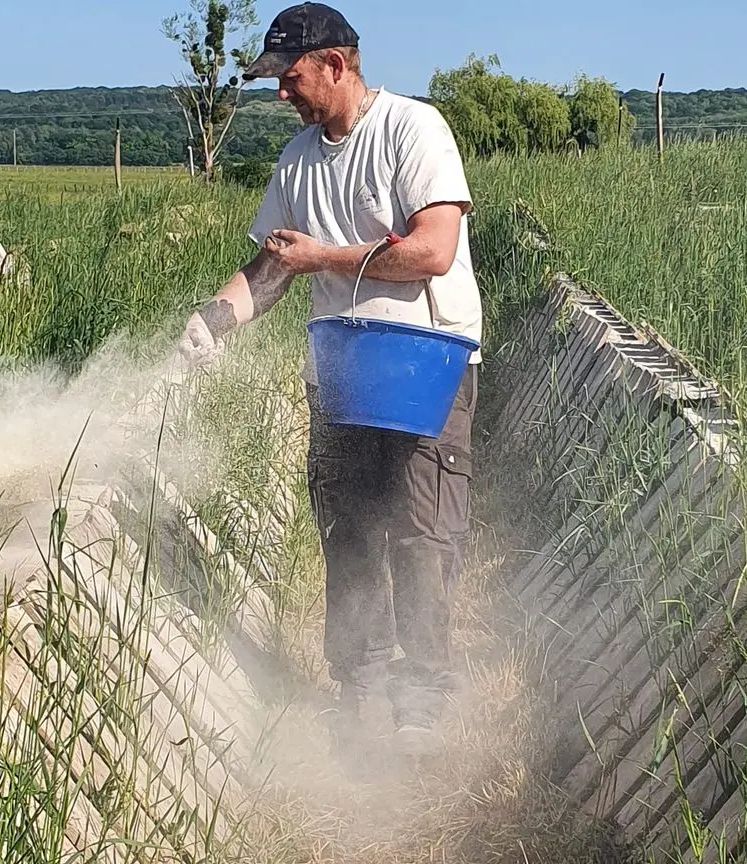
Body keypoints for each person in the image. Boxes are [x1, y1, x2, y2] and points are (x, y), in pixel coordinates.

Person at [176, 2, 484, 762]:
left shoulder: (414, 131)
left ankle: (424, 698)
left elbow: (433, 252)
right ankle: (362, 689)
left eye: (289, 78)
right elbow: (275, 266)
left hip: (426, 362)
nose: (281, 93)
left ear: (337, 66)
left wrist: (327, 258)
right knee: (348, 532)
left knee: (421, 535)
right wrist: (214, 318)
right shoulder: (296, 162)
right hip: (344, 371)